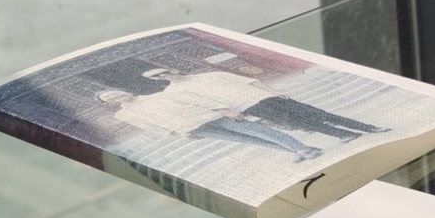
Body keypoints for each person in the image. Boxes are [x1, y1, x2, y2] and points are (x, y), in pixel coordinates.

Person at [90, 64, 323, 162]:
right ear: (109, 104)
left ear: (121, 90)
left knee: (258, 130)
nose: (116, 97)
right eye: (109, 99)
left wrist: (224, 109)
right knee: (247, 140)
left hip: (211, 116)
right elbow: (149, 126)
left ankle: (303, 148)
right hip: (192, 128)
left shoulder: (158, 95)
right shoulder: (123, 115)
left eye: (115, 93)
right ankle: (293, 150)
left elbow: (196, 100)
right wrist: (178, 134)